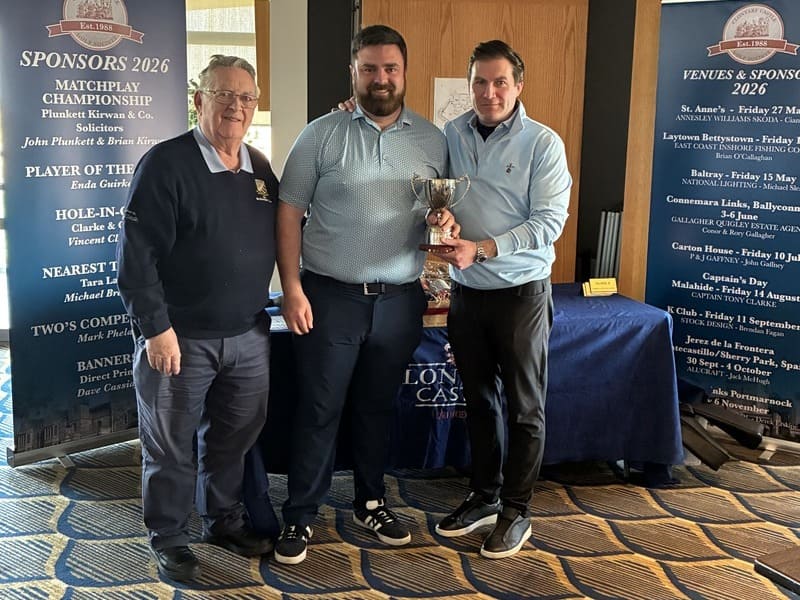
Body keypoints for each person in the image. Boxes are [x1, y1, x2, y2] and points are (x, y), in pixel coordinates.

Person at [274, 24, 455, 565]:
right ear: (353, 72)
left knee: (377, 407)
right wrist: (290, 287)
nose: (381, 78)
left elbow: (442, 210)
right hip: (330, 297)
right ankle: (301, 513)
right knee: (319, 409)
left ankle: (370, 502)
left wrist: (444, 221)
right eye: (370, 68)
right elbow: (288, 213)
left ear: (405, 72)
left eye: (390, 68)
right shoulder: (320, 134)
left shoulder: (433, 140)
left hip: (400, 299)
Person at [117, 55, 278, 582]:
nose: (236, 106)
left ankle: (222, 520)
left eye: (246, 97)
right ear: (199, 100)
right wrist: (155, 329)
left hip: (248, 335)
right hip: (180, 338)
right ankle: (168, 537)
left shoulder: (259, 168)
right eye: (223, 94)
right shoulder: (165, 164)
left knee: (233, 439)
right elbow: (136, 257)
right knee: (170, 446)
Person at [433, 40, 571, 559]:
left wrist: (484, 248)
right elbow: (444, 195)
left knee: (524, 409)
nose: (488, 93)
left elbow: (549, 223)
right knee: (478, 402)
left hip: (521, 294)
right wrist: (443, 219)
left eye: (499, 83)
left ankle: (517, 510)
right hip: (467, 293)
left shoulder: (543, 143)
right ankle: (484, 496)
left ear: (518, 86)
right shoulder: (452, 133)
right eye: (479, 82)